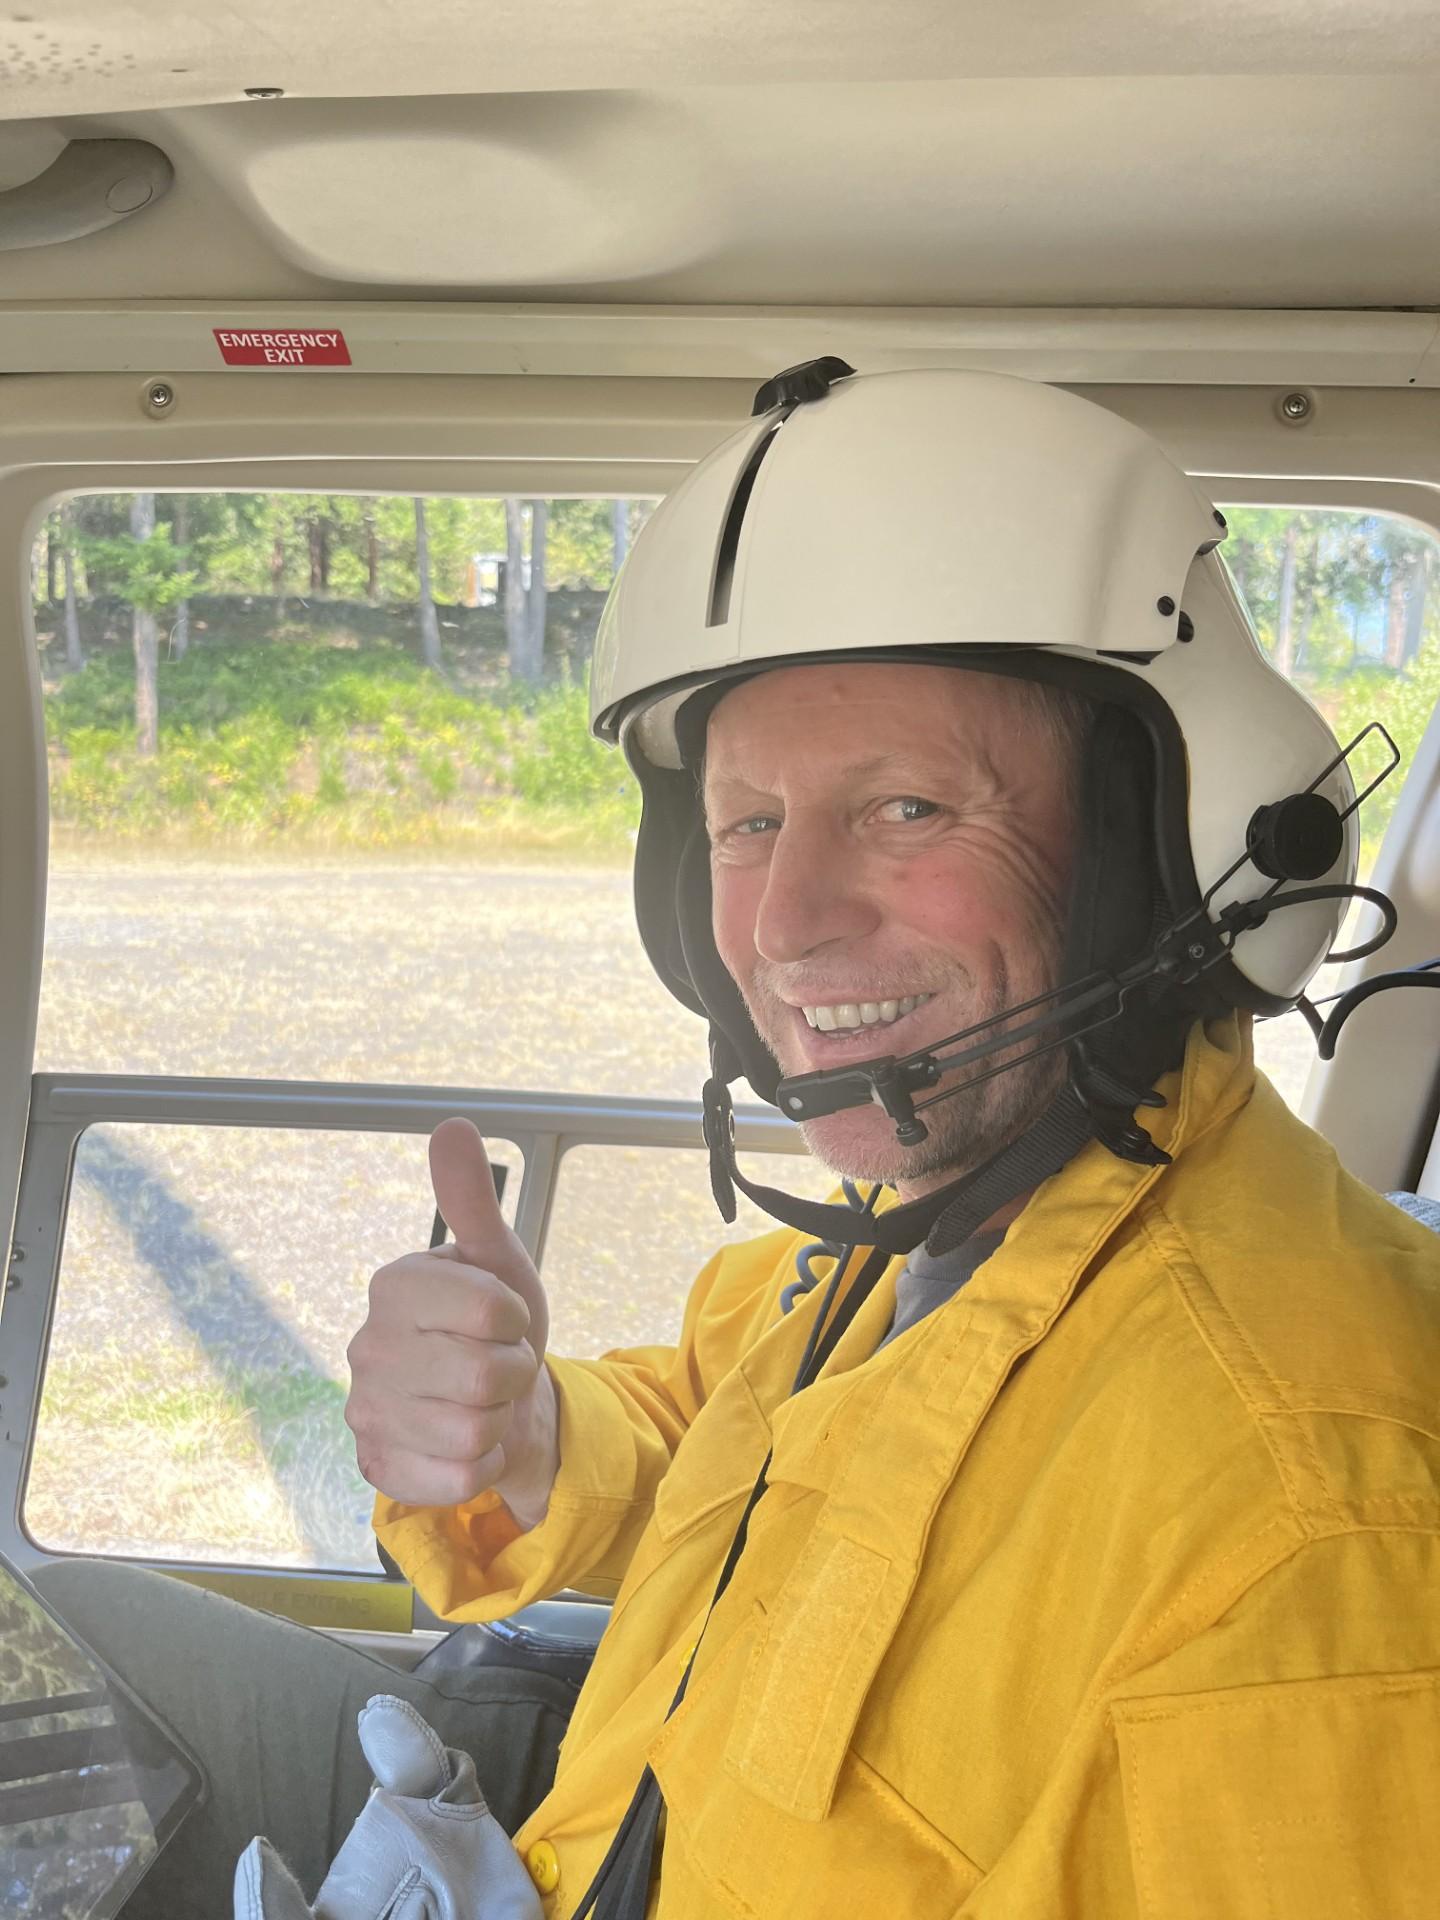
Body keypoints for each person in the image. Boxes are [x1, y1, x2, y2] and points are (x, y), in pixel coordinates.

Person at [39, 366, 1440, 1918]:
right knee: (53, 1627)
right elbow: (729, 1436)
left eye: (907, 809)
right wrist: (525, 1441)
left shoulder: (1312, 1523)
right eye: (745, 822)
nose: (781, 925)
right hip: (574, 1840)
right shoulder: (909, 1238)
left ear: (1172, 853)